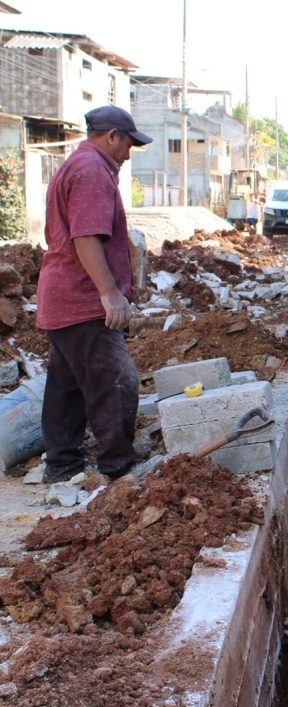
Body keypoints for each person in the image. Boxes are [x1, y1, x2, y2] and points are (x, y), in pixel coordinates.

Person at [36, 106, 153, 483]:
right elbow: (86, 237)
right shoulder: (91, 172)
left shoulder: (78, 165)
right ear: (112, 135)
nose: (128, 153)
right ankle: (118, 468)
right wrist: (109, 294)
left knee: (66, 386)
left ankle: (62, 465)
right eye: (128, 144)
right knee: (116, 381)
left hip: (63, 297)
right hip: (83, 299)